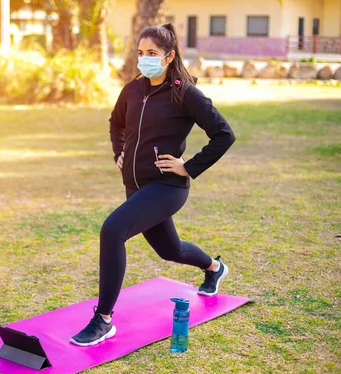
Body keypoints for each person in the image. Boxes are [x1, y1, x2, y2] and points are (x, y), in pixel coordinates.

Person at [70, 23, 235, 347]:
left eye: (152, 54)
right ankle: (214, 268)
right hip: (136, 186)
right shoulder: (132, 89)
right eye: (141, 53)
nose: (144, 59)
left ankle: (103, 320)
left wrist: (188, 167)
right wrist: (120, 152)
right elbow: (116, 123)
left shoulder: (184, 93)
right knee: (169, 250)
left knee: (112, 230)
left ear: (169, 55)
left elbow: (224, 134)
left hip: (167, 188)